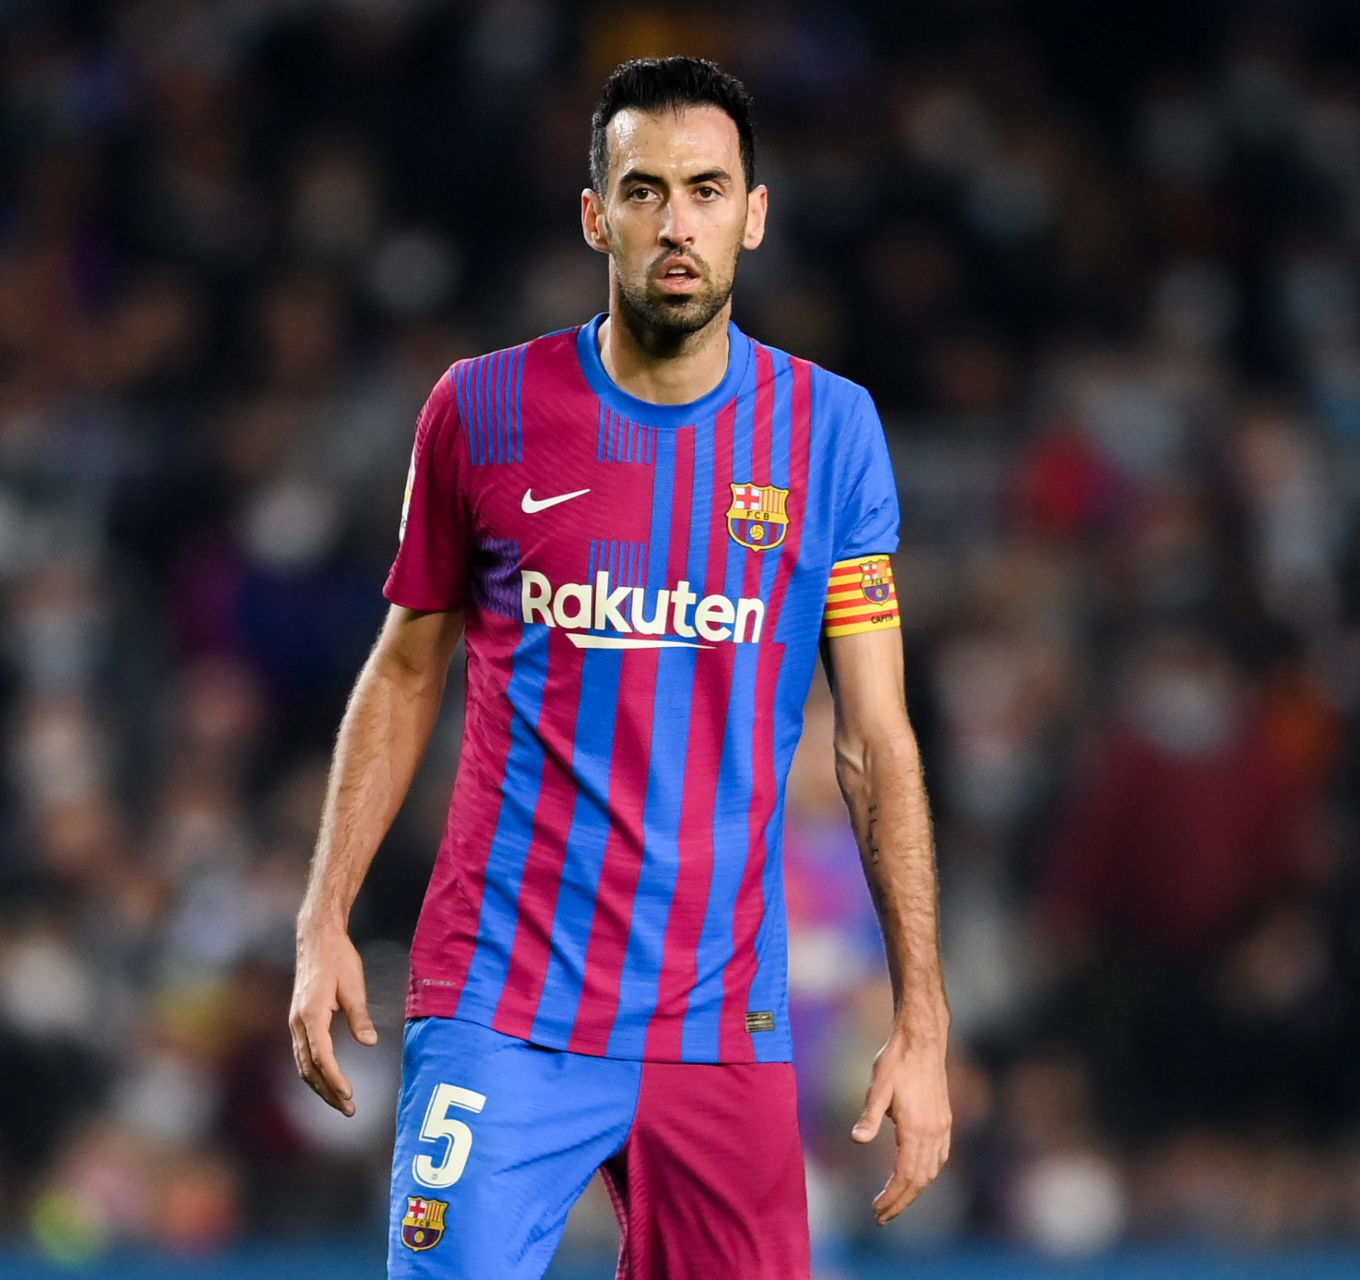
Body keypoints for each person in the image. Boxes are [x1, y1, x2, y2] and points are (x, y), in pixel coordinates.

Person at [288, 56, 950, 1278]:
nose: (677, 223)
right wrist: (324, 913)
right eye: (645, 191)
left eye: (707, 190)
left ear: (754, 214)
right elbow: (404, 669)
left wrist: (922, 1014)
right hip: (502, 1006)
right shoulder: (480, 410)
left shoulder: (831, 431)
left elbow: (874, 740)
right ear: (598, 215)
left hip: (721, 1024)